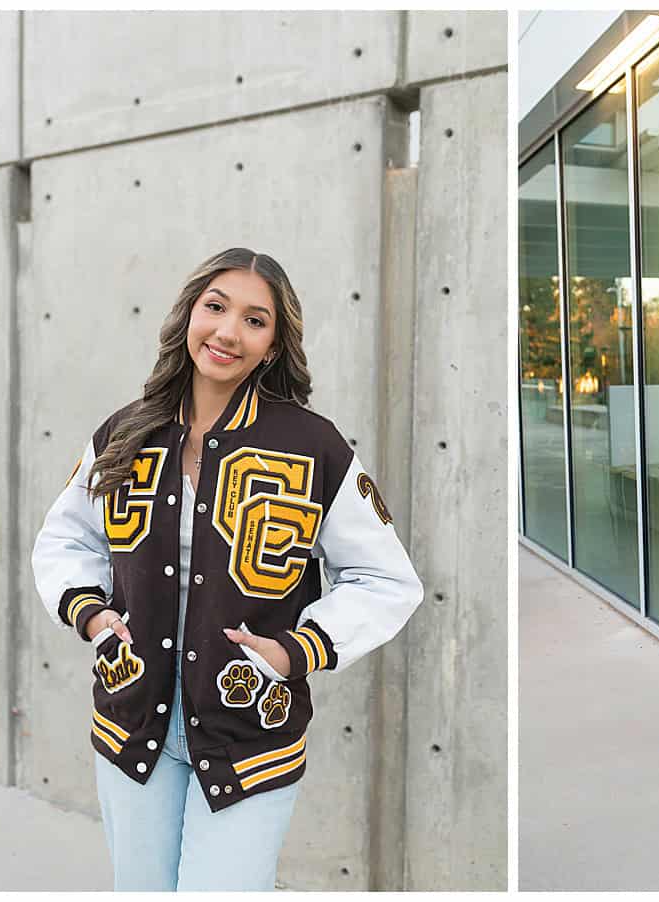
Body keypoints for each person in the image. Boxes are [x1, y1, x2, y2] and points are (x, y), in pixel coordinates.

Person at [31, 247, 423, 891]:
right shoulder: (122, 433)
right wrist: (91, 612)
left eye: (254, 319)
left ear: (272, 345)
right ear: (190, 315)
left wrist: (298, 651)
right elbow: (65, 541)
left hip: (251, 732)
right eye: (215, 308)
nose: (228, 331)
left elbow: (386, 580)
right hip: (132, 720)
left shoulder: (313, 445)